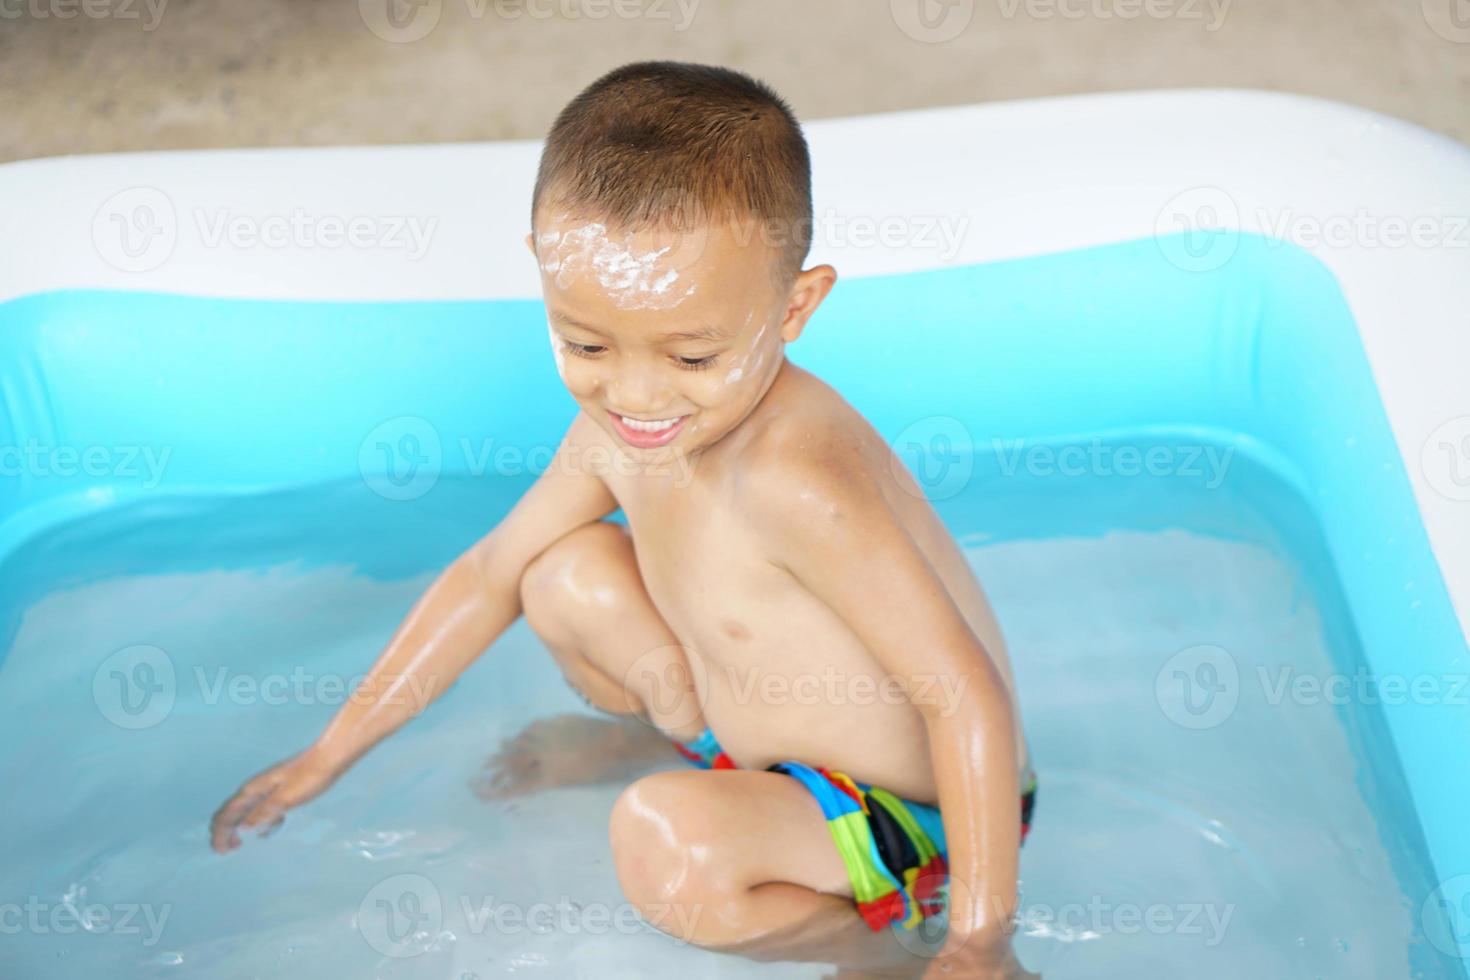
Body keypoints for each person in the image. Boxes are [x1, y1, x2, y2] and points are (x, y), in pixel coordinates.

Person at [211, 60, 1037, 979]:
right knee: (559, 576)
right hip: (769, 746)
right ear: (543, 270)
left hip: (918, 812)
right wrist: (328, 754)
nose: (636, 397)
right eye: (587, 342)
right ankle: (701, 757)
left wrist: (980, 939)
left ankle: (880, 947)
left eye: (692, 354)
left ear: (794, 306)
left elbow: (962, 695)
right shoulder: (623, 427)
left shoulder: (798, 481)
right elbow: (489, 575)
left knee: (664, 844)